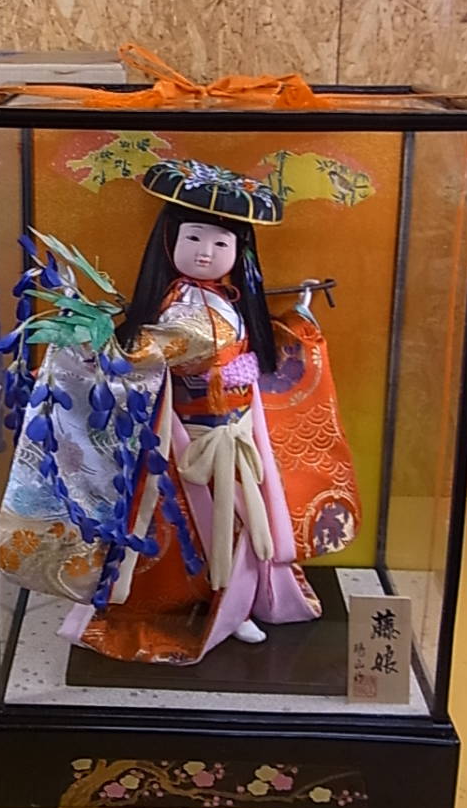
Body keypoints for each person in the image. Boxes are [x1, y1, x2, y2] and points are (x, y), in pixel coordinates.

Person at [54, 159, 322, 664]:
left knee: (242, 525)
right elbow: (138, 356)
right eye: (194, 238)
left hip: (237, 430)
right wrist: (84, 325)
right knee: (199, 530)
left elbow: (253, 352)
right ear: (169, 243)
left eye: (221, 243)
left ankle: (237, 604)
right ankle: (213, 605)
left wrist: (296, 319)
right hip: (188, 437)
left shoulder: (230, 302)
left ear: (240, 252)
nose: (205, 252)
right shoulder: (177, 307)